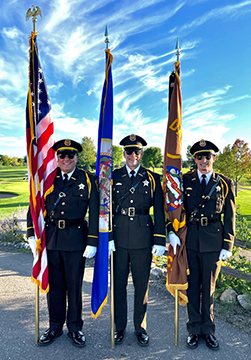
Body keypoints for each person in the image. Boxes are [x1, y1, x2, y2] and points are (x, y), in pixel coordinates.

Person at [27, 139, 99, 347]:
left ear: (77, 157)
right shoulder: (47, 178)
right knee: (55, 286)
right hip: (51, 239)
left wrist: (92, 241)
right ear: (56, 158)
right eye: (62, 155)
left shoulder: (88, 179)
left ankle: (75, 327)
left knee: (74, 286)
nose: (66, 159)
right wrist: (32, 234)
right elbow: (35, 205)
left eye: (70, 155)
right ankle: (55, 326)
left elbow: (95, 212)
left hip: (77, 239)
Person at [170, 139, 235, 351]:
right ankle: (193, 330)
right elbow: (173, 207)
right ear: (194, 159)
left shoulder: (224, 182)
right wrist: (172, 231)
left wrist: (227, 244)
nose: (204, 161)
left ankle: (208, 331)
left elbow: (230, 215)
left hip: (214, 241)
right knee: (192, 286)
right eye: (199, 157)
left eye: (207, 157)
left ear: (213, 158)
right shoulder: (184, 180)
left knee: (208, 289)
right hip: (190, 241)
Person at [110, 134, 166, 347]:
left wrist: (159, 240)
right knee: (119, 286)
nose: (133, 155)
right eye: (129, 151)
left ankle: (140, 328)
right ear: (123, 153)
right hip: (120, 238)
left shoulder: (152, 177)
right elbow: (106, 210)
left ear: (141, 154)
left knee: (141, 286)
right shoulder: (113, 176)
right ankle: (119, 327)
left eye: (137, 151)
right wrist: (109, 237)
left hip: (143, 238)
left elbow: (159, 211)